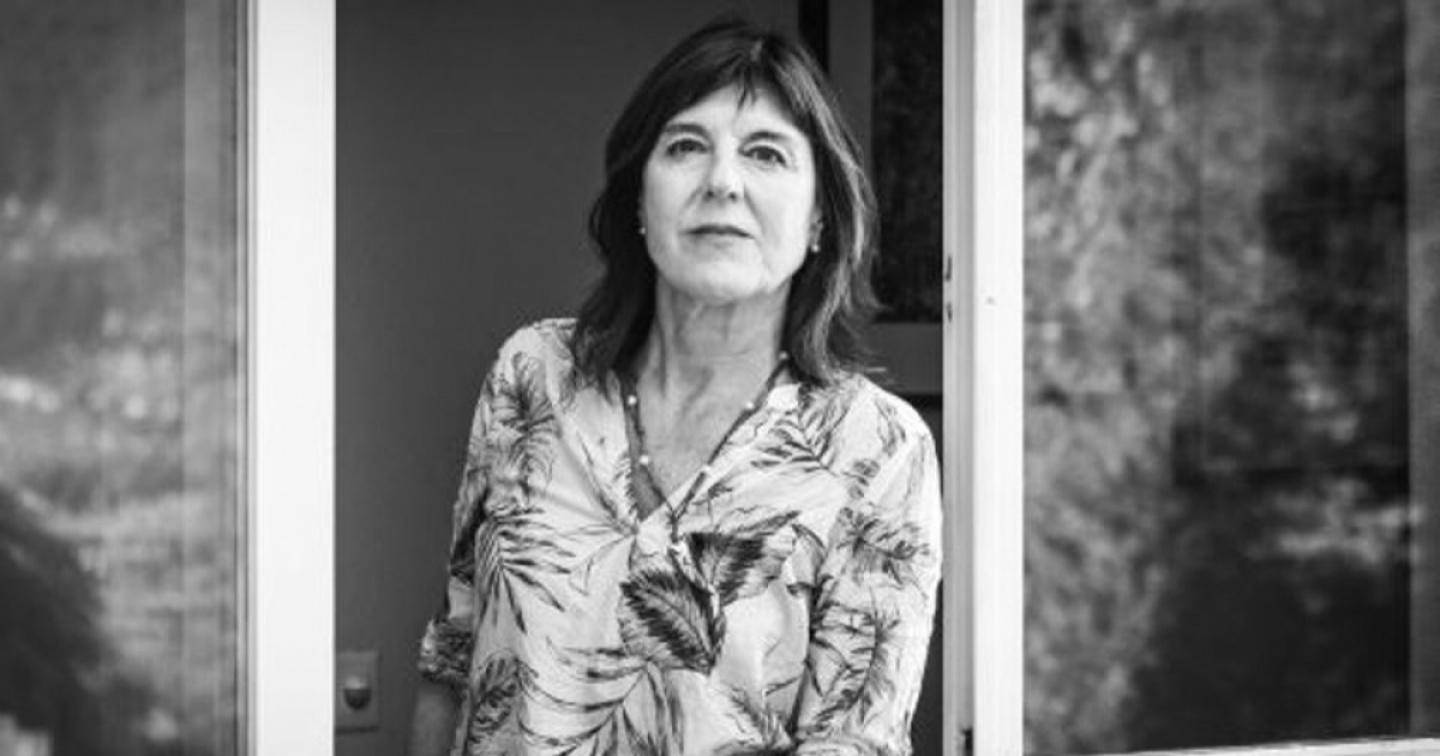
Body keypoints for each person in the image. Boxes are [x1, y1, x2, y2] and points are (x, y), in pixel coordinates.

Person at [409, 17, 941, 756]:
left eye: (765, 153)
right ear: (639, 197)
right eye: (687, 146)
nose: (722, 181)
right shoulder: (531, 374)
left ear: (819, 217)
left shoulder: (876, 448)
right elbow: (453, 655)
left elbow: (855, 742)